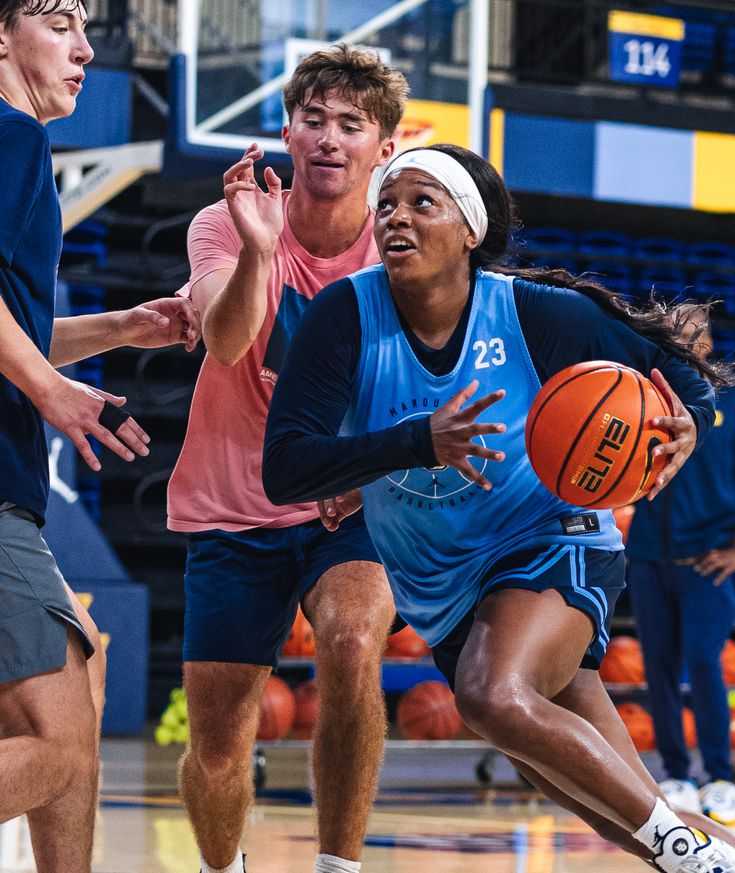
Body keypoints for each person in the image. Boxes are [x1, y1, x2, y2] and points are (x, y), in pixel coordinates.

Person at [263, 145, 735, 873]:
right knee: (628, 811)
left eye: (421, 203)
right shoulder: (343, 316)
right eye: (386, 206)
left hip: (548, 540)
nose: (395, 217)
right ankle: (717, 858)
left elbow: (677, 371)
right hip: (444, 590)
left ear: (470, 229)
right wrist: (411, 442)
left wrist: (690, 422)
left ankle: (686, 854)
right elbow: (284, 468)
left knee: (489, 692)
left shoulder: (534, 314)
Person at [167, 45, 407, 873]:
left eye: (352, 124)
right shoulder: (221, 224)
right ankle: (220, 866)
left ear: (386, 146)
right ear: (287, 131)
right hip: (238, 502)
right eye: (315, 120)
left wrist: (365, 470)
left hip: (348, 507)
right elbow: (228, 342)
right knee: (220, 743)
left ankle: (338, 865)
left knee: (348, 640)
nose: (330, 139)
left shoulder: (401, 250)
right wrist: (262, 253)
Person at [0, 2, 199, 871]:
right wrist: (52, 393)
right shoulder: (10, 137)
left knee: (76, 691)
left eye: (87, 26)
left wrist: (117, 326)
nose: (84, 48)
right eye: (58, 22)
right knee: (62, 737)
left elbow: (15, 327)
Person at [625, 317, 735, 829]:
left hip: (707, 563)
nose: (684, 343)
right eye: (674, 335)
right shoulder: (642, 394)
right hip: (649, 558)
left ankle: (720, 776)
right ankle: (676, 775)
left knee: (704, 665)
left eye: (693, 335)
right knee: (657, 671)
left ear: (710, 343)